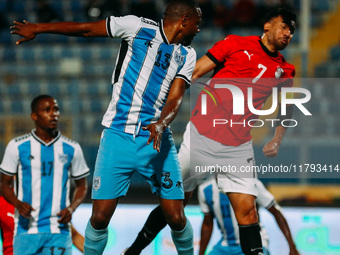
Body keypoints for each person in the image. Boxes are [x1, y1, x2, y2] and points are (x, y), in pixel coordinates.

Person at [10, 1, 202, 254]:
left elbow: (175, 97)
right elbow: (87, 28)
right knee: (100, 217)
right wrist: (39, 28)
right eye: (198, 24)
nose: (199, 30)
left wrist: (162, 122)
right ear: (185, 21)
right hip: (117, 137)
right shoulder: (137, 27)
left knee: (176, 217)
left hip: (156, 141)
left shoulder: (187, 55)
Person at [123, 7, 296, 255]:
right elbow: (191, 74)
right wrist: (162, 107)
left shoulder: (286, 71)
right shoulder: (234, 44)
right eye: (284, 26)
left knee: (248, 211)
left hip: (238, 146)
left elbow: (286, 110)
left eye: (292, 31)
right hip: (202, 137)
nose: (288, 33)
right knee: (174, 203)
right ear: (267, 26)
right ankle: (134, 250)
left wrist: (277, 139)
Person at [0, 95, 89, 255]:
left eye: (55, 109)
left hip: (58, 233)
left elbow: (82, 185)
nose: (53, 114)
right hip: (25, 235)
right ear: (34, 116)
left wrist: (71, 208)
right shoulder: (17, 146)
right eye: (47, 110)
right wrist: (18, 204)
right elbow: (4, 184)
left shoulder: (72, 148)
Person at [198, 178, 300, 255]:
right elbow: (207, 224)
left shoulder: (250, 183)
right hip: (225, 246)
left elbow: (276, 212)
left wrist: (292, 247)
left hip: (255, 242)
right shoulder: (205, 189)